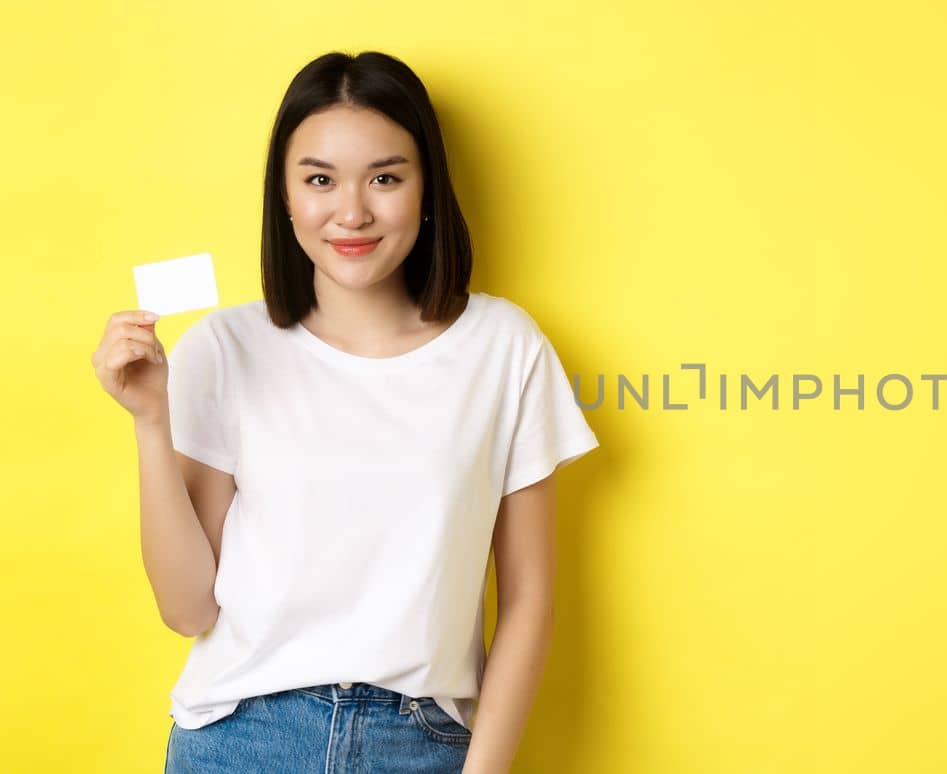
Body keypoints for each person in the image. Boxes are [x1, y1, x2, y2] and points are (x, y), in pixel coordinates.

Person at [89, 50, 599, 773]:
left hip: (423, 743)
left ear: (427, 189)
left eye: (385, 177)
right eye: (320, 180)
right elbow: (188, 610)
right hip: (241, 741)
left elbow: (529, 600)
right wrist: (149, 421)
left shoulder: (501, 346)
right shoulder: (224, 347)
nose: (352, 211)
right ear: (286, 196)